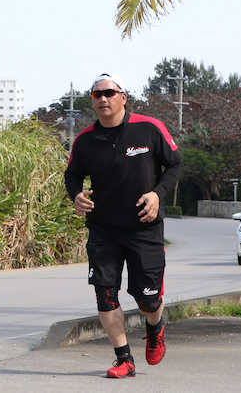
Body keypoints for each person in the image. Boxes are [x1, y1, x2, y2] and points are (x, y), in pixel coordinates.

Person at [64, 73, 182, 379]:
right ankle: (124, 358)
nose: (103, 99)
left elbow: (175, 164)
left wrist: (157, 194)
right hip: (103, 229)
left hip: (144, 227)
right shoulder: (85, 140)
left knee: (147, 300)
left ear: (122, 97)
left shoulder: (149, 128)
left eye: (109, 93)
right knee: (105, 294)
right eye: (96, 95)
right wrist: (76, 195)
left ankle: (155, 326)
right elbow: (72, 175)